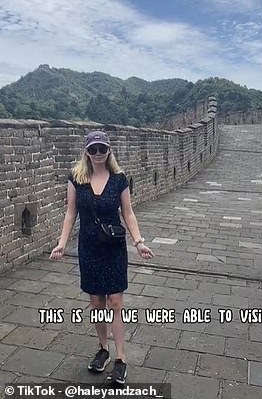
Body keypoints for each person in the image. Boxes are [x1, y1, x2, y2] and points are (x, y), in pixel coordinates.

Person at [49, 130, 154, 384]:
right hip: (89, 249)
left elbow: (128, 213)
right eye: (93, 149)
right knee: (96, 303)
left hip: (113, 248)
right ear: (86, 151)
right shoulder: (76, 178)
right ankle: (103, 349)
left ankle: (121, 359)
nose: (98, 154)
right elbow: (70, 213)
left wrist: (138, 241)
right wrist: (62, 244)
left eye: (102, 149)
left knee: (116, 302)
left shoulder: (119, 180)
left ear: (109, 151)